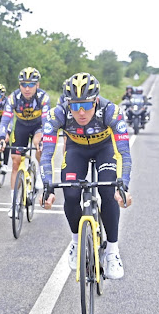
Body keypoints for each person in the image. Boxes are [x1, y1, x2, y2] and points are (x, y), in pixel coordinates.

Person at [41, 72, 133, 279]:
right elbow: (47, 153)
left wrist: (123, 185)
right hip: (76, 150)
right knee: (71, 195)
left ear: (96, 101)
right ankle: (76, 241)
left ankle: (112, 252)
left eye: (87, 105)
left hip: (104, 149)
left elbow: (124, 153)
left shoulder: (111, 112)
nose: (81, 112)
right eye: (74, 106)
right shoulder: (58, 114)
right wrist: (47, 186)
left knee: (108, 192)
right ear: (67, 103)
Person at [0, 67, 50, 217]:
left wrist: (45, 138)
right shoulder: (13, 98)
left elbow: (47, 121)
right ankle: (13, 203)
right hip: (21, 126)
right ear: (19, 85)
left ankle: (39, 173)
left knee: (38, 143)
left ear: (37, 85)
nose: (27, 88)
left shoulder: (43, 97)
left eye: (31, 85)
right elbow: (6, 118)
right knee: (16, 162)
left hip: (38, 125)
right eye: (23, 85)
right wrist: (2, 137)